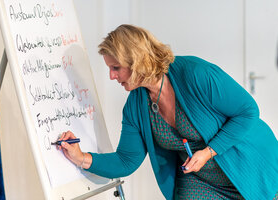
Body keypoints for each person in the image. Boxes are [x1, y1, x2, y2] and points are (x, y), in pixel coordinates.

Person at [58, 24, 278, 200]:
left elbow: (248, 111)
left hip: (248, 167)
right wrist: (81, 158)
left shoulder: (195, 73)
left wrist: (209, 152)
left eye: (116, 67)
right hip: (202, 182)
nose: (111, 76)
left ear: (136, 61)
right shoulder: (135, 106)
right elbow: (126, 161)